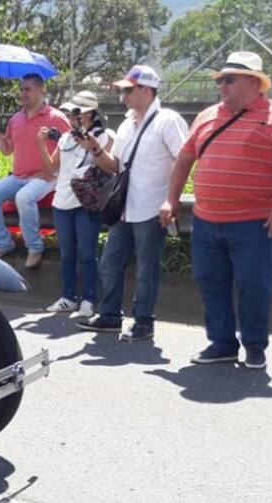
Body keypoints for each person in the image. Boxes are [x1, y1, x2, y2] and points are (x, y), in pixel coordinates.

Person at [161, 52, 272, 369]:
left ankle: (255, 346)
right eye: (220, 80)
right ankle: (222, 343)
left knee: (254, 287)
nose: (222, 86)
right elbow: (185, 159)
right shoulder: (206, 116)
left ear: (254, 83)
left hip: (254, 223)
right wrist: (171, 199)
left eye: (230, 79)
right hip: (206, 220)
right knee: (210, 283)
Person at [76, 65, 189, 341]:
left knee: (147, 268)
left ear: (147, 90)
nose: (123, 96)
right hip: (124, 208)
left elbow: (183, 161)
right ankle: (111, 316)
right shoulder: (127, 124)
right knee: (110, 262)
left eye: (128, 90)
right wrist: (94, 149)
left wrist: (171, 200)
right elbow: (115, 166)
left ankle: (143, 321)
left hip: (152, 208)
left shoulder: (168, 121)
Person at [37, 91, 114, 319]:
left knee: (87, 253)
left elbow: (109, 167)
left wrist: (90, 144)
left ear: (89, 113)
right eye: (70, 113)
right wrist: (41, 143)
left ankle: (90, 299)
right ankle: (68, 297)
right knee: (67, 253)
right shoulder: (65, 138)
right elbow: (52, 168)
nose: (71, 117)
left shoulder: (103, 135)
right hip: (61, 202)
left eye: (76, 113)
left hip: (86, 203)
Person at [0, 74, 71, 267]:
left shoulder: (56, 117)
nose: (23, 93)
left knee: (24, 197)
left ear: (41, 90)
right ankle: (4, 243)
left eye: (28, 89)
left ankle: (35, 248)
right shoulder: (16, 119)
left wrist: (53, 172)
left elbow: (71, 147)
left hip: (47, 177)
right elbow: (6, 150)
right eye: (21, 89)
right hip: (18, 176)